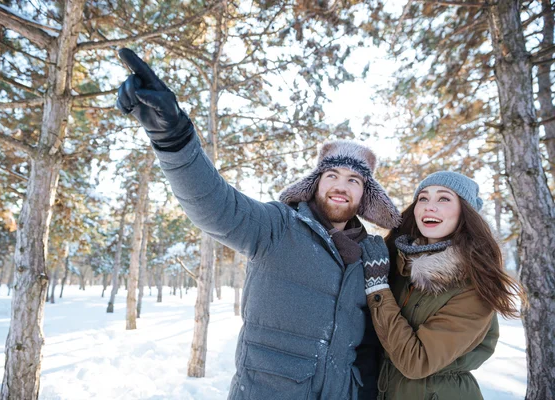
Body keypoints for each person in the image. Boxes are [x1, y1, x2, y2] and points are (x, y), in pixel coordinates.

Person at [115, 48, 402, 400]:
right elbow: (213, 204)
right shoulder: (278, 227)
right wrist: (173, 137)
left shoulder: (371, 257)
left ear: (365, 196)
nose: (342, 185)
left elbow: (371, 349)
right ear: (316, 183)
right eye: (332, 175)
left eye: (354, 181)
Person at [359, 171, 526, 400]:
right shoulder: (396, 263)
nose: (430, 206)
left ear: (464, 212)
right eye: (423, 198)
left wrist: (378, 290)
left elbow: (416, 362)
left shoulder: (473, 285)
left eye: (444, 199)